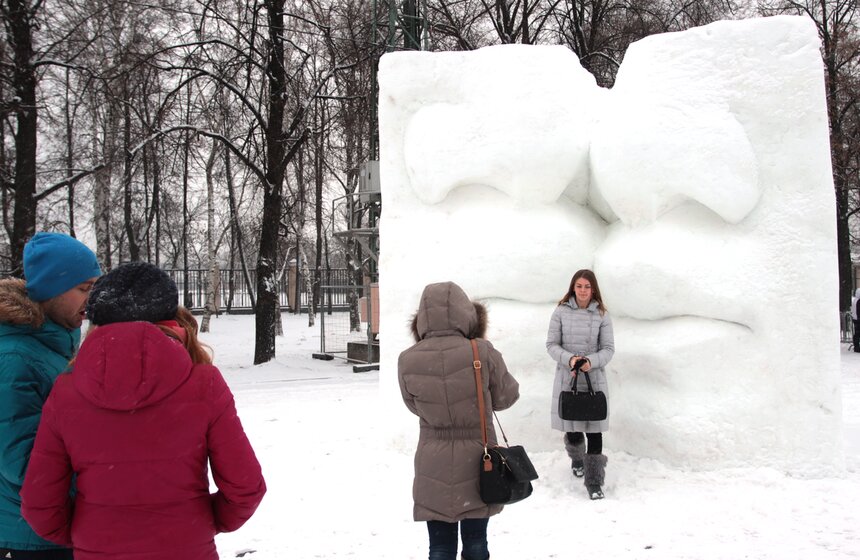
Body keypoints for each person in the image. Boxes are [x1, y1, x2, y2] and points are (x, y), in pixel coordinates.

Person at [20, 261, 266, 560]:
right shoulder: (204, 384)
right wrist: (204, 522)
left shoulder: (67, 392)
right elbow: (245, 487)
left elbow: (40, 503)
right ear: (172, 319)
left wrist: (87, 532)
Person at [398, 281, 519, 560]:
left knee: (439, 548)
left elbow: (413, 405)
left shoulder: (408, 359)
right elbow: (506, 398)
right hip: (479, 460)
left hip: (432, 460)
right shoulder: (482, 351)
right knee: (476, 544)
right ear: (467, 313)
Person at [0, 232, 101, 559]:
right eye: (84, 288)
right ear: (50, 289)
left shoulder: (48, 346)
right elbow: (23, 464)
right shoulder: (16, 358)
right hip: (28, 536)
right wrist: (102, 478)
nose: (92, 299)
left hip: (48, 527)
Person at [546, 269, 615, 500]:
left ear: (593, 289)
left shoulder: (602, 314)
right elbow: (552, 345)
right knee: (573, 427)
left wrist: (590, 362)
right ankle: (577, 459)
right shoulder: (561, 312)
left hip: (594, 379)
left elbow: (608, 349)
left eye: (587, 286)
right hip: (569, 378)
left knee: (595, 432)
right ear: (573, 288)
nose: (583, 291)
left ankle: (594, 482)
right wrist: (571, 359)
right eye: (579, 286)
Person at [852, 288, 860, 353]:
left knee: (856, 334)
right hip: (858, 319)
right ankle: (857, 348)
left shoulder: (855, 300)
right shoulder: (859, 301)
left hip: (855, 319)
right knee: (858, 334)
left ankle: (856, 346)